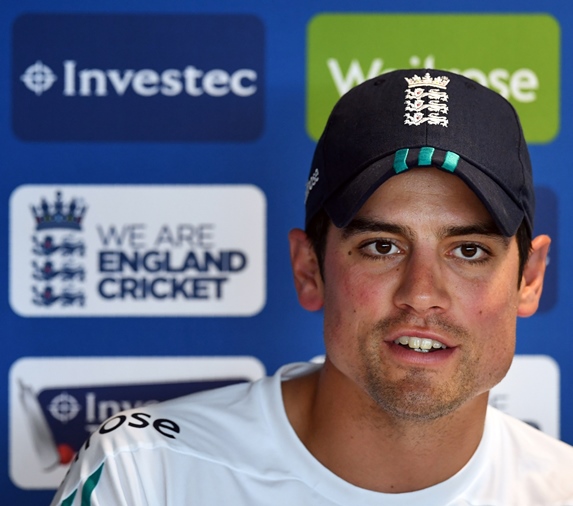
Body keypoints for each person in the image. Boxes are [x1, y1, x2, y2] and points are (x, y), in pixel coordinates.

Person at [50, 69, 573, 505]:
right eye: (382, 247)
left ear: (529, 277)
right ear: (309, 268)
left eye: (468, 251)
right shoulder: (147, 475)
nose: (421, 292)